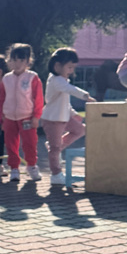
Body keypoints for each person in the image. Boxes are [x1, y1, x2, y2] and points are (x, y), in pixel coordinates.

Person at [41, 47, 96, 185]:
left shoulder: (63, 80)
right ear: (57, 66)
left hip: (64, 117)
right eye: (69, 67)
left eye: (73, 68)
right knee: (54, 150)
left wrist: (73, 113)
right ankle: (56, 174)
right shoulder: (56, 80)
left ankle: (56, 146)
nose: (71, 71)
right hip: (53, 119)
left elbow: (64, 102)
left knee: (81, 130)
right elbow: (70, 90)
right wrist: (86, 96)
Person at [2, 43, 44, 182]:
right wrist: (2, 115)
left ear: (27, 61)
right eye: (14, 60)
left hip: (27, 117)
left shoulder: (32, 77)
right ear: (9, 61)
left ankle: (31, 166)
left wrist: (36, 117)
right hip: (9, 117)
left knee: (29, 143)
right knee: (10, 144)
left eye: (21, 60)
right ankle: (14, 168)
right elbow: (2, 97)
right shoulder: (6, 78)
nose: (18, 63)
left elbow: (38, 98)